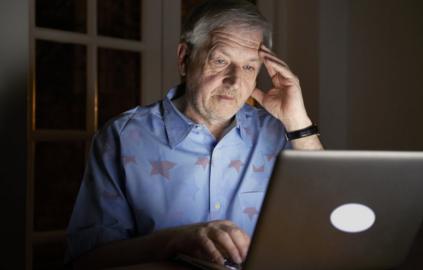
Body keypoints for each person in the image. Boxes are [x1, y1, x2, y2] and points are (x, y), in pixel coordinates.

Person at [66, 0, 323, 268]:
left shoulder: (279, 132)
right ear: (184, 59)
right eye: (220, 60)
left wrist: (298, 120)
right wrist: (175, 241)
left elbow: (327, 217)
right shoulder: (121, 137)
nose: (235, 81)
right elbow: (85, 261)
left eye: (249, 67)